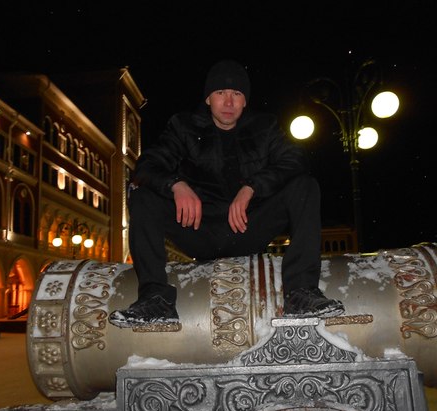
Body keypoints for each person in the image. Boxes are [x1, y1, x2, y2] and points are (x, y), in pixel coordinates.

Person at [109, 59, 344, 328]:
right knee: (141, 194)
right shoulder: (183, 127)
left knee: (305, 185)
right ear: (208, 98)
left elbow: (295, 161)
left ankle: (301, 292)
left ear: (245, 101)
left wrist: (252, 187)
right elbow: (147, 166)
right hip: (198, 229)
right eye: (220, 92)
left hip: (246, 228)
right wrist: (176, 184)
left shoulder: (264, 127)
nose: (229, 102)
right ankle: (155, 298)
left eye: (237, 94)